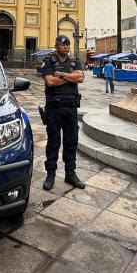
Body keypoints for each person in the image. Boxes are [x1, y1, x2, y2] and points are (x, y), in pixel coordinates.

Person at [40, 35, 86, 191]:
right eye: (62, 44)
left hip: (71, 109)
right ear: (56, 45)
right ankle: (50, 174)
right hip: (54, 109)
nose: (66, 46)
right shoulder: (49, 61)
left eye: (68, 44)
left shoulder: (75, 61)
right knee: (53, 142)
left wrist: (62, 75)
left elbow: (80, 78)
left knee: (71, 142)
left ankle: (70, 174)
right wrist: (71, 77)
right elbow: (50, 82)